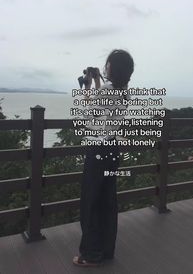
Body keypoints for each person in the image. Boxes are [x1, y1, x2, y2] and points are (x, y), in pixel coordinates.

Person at [73, 49, 134, 267]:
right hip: (112, 148)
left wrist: (86, 88)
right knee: (107, 201)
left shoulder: (106, 91)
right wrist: (97, 83)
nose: (106, 66)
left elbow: (87, 118)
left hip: (97, 150)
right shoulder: (126, 91)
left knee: (91, 202)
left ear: (111, 67)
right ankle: (106, 250)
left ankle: (90, 254)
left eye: (107, 64)